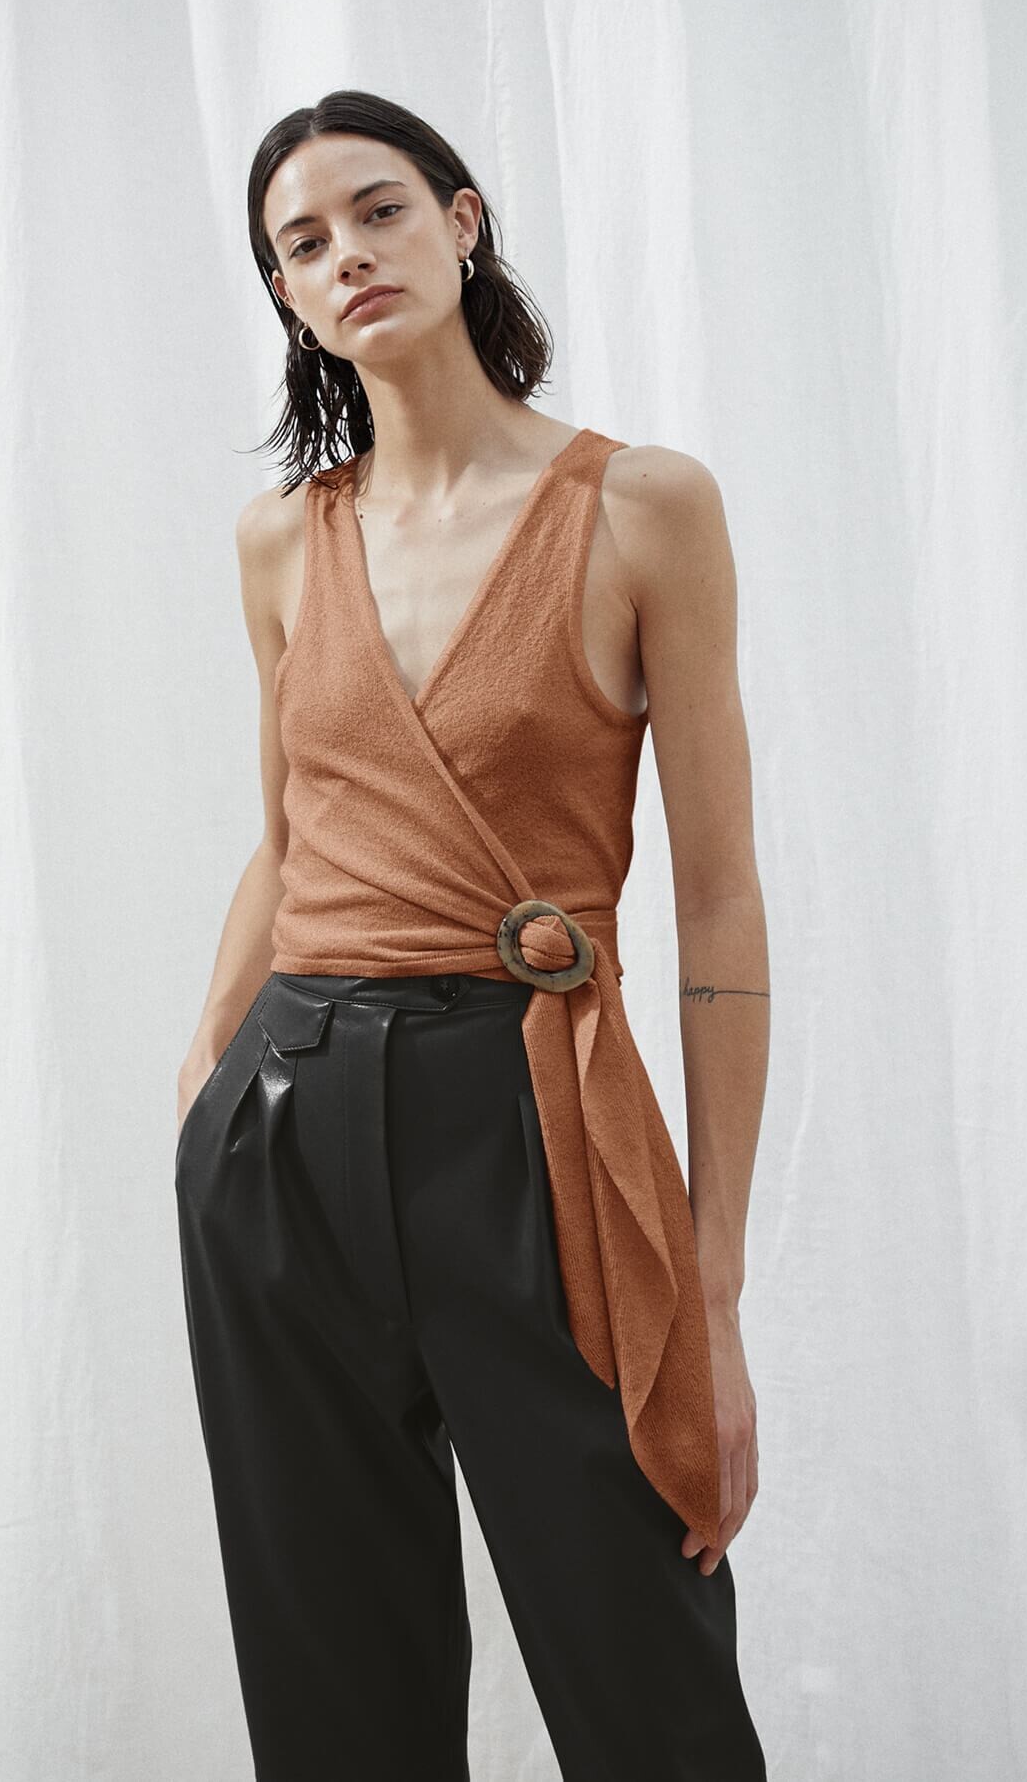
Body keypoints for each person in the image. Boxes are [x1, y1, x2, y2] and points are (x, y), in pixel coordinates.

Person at [175, 89, 771, 1782]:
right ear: (284, 293)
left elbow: (719, 898)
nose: (347, 255)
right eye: (303, 242)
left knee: (648, 1677)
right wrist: (203, 1089)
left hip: (536, 1123)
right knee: (337, 1705)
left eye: (378, 210)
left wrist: (713, 1290)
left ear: (461, 219)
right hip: (283, 1135)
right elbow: (288, 844)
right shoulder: (283, 541)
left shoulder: (641, 505)